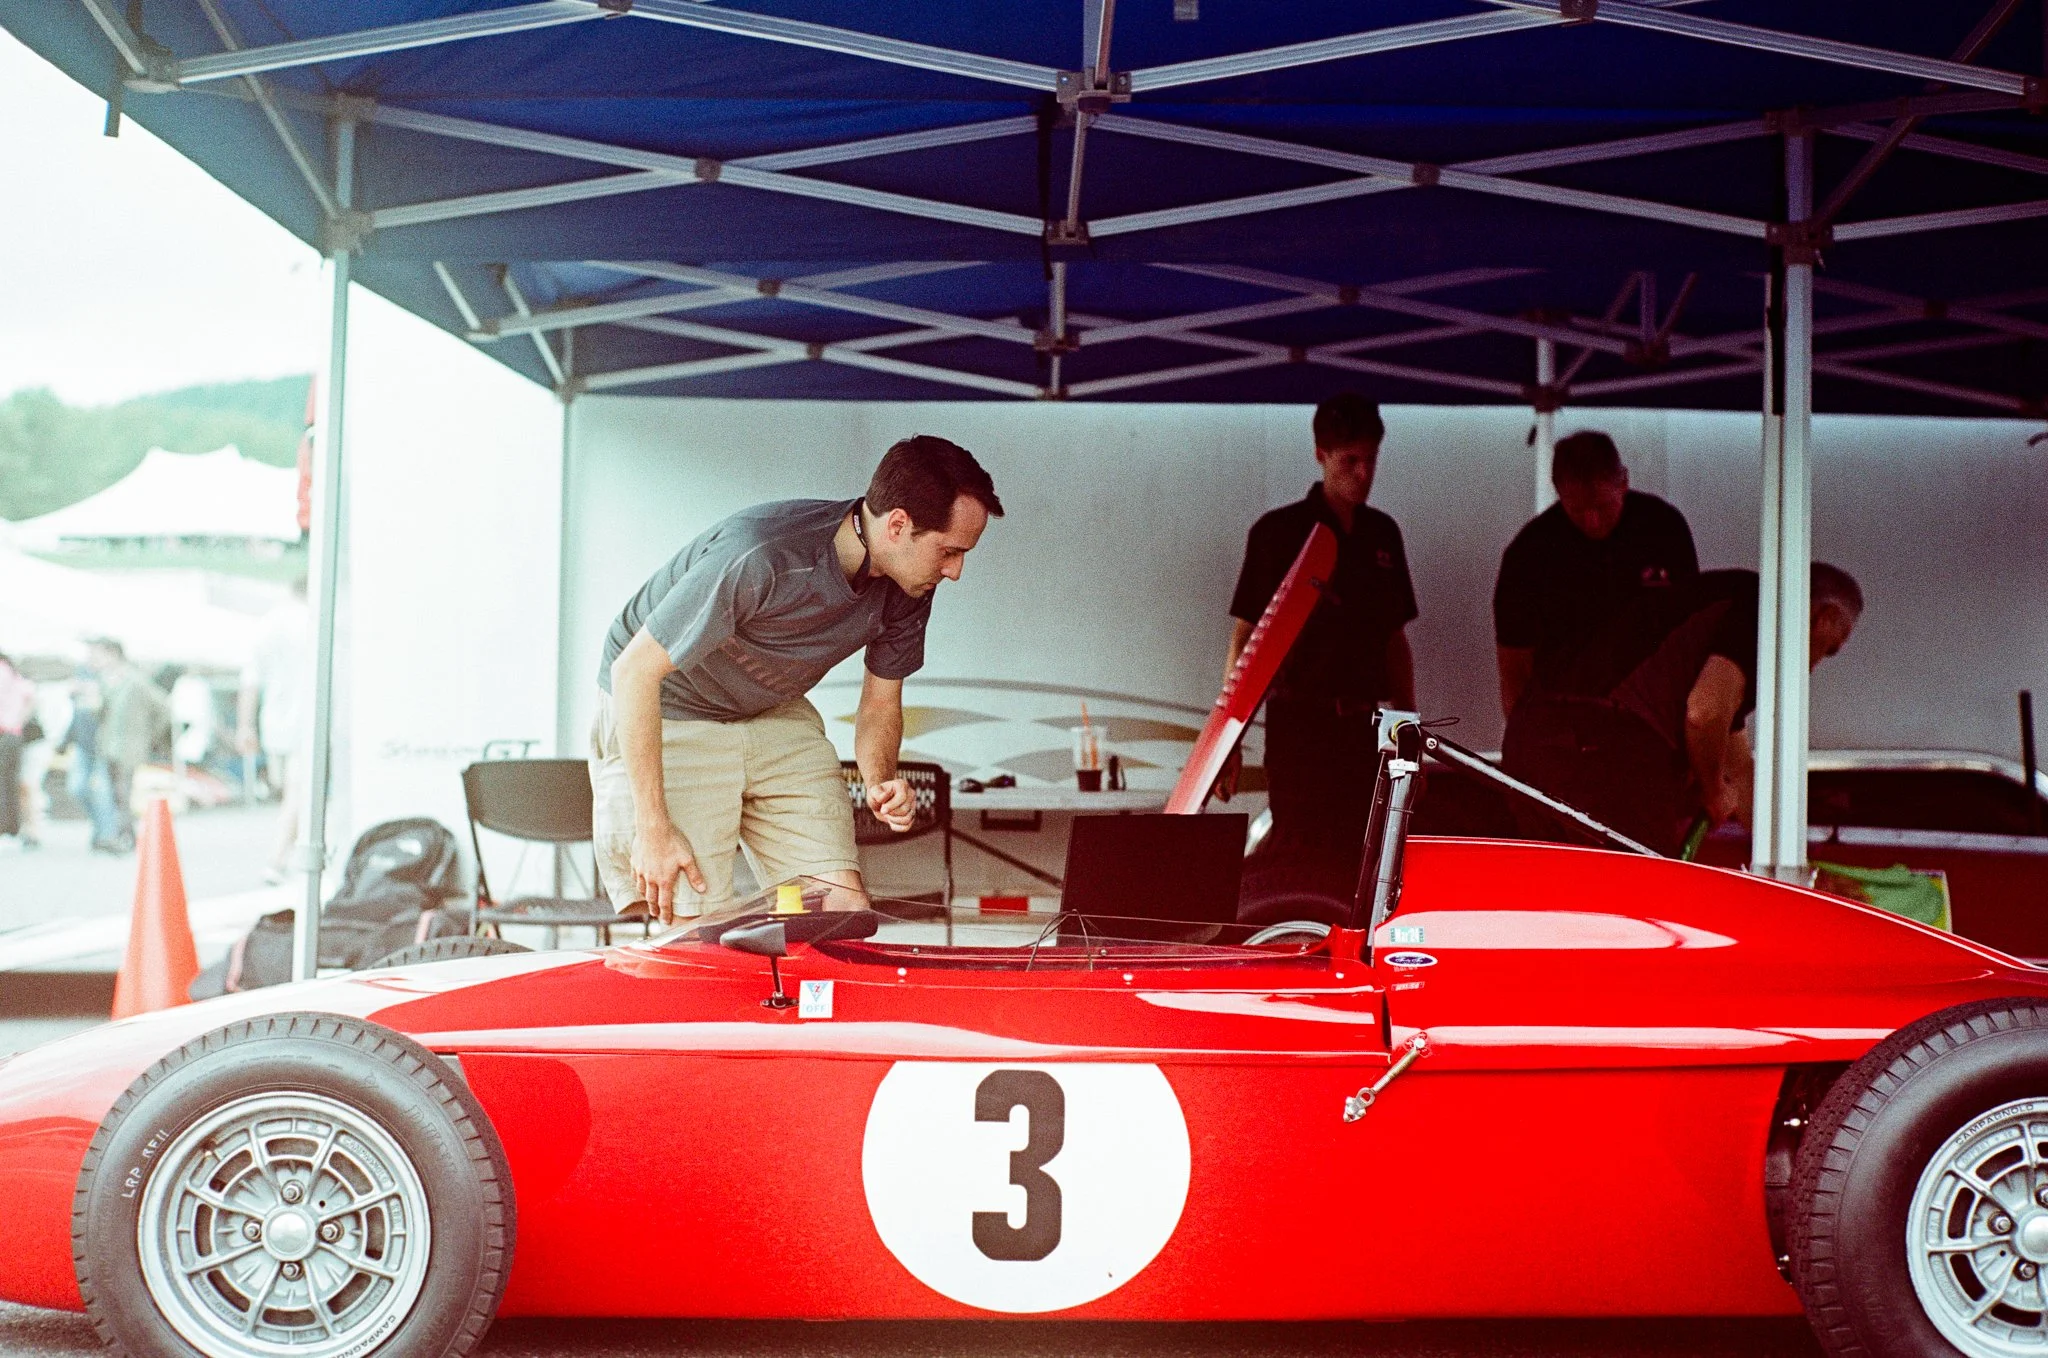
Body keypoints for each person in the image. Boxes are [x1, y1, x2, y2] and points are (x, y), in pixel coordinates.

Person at [591, 435, 1002, 924]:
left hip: (771, 710)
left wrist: (880, 780)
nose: (955, 572)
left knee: (839, 910)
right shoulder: (761, 553)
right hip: (672, 706)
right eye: (949, 552)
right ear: (898, 525)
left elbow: (879, 706)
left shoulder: (909, 585)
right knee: (694, 924)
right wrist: (652, 828)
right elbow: (633, 672)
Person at [1500, 564, 1863, 857]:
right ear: (1825, 618)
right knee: (1641, 903)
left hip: (1531, 742)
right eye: (1830, 649)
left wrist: (1782, 857)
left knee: (1568, 903)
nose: (1815, 665)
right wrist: (1711, 790)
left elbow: (1737, 767)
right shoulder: (1765, 611)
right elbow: (1704, 713)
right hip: (1597, 746)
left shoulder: (1717, 626)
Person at [1224, 393, 1418, 895]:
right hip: (1300, 726)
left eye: (1370, 460)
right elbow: (1247, 640)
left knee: (1366, 855)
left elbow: (1395, 638)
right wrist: (1229, 742)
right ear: (1321, 455)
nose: (1362, 473)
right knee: (1299, 860)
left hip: (1365, 726)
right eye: (1349, 460)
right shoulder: (1279, 533)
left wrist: (1408, 720)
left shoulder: (1382, 534)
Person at [1493, 430, 1698, 719]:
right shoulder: (1528, 554)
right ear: (1557, 490)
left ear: (1623, 482)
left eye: (1602, 506)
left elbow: (1692, 632)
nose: (1592, 521)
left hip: (1652, 710)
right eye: (1577, 510)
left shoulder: (1663, 528)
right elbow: (1514, 668)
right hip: (1565, 714)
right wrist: (1520, 742)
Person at [239, 578, 312, 883]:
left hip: (276, 723)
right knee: (300, 792)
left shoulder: (267, 624)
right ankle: (279, 859)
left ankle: (288, 856)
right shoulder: (312, 620)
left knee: (293, 791)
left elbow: (250, 679)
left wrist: (246, 726)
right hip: (309, 721)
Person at [89, 637, 171, 853]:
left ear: (113, 654)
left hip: (130, 746)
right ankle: (123, 834)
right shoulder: (105, 682)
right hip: (108, 745)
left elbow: (163, 708)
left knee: (123, 792)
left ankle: (124, 834)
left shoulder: (136, 680)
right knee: (112, 792)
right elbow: (101, 714)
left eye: (99, 655)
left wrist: (150, 735)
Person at [58, 668, 122, 853]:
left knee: (103, 791)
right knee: (77, 787)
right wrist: (65, 741)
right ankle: (100, 826)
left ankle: (107, 835)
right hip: (82, 746)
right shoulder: (77, 702)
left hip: (101, 747)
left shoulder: (102, 693)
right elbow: (74, 722)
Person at [0, 653, 36, 848]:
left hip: (4, 733)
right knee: (10, 784)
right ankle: (11, 830)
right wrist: (19, 721)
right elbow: (30, 696)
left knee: (3, 786)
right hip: (13, 733)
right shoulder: (11, 672)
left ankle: (5, 830)